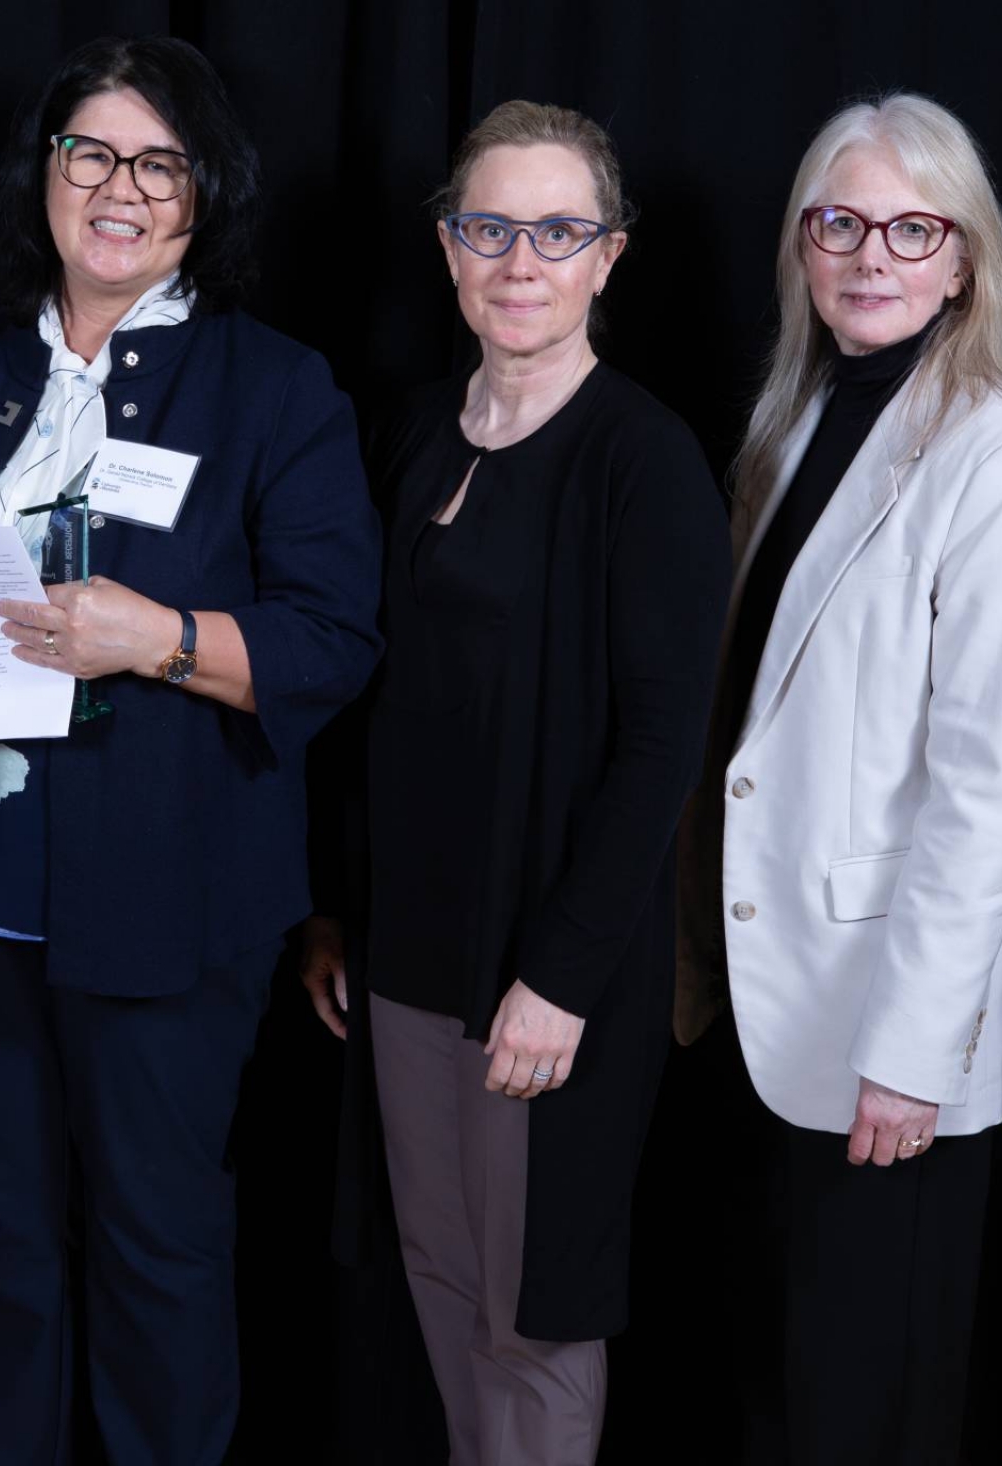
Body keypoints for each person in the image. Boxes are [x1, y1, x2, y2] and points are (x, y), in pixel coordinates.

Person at [0, 35, 381, 1464]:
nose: (118, 188)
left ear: (206, 194)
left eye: (158, 162)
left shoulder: (276, 388)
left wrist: (164, 640)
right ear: (45, 174)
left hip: (171, 910)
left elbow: (332, 643)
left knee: (157, 1254)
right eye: (90, 152)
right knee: (1, 1251)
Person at [298, 100, 729, 1464]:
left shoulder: (642, 460)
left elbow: (662, 747)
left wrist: (559, 974)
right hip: (405, 960)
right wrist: (332, 913)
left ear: (609, 256)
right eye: (491, 227)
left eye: (558, 231)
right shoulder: (413, 433)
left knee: (531, 1322)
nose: (520, 259)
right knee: (438, 1279)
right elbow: (366, 697)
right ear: (447, 247)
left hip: (544, 981)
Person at [675, 93, 1002, 1466]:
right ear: (802, 241)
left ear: (964, 258)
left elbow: (986, 787)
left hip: (877, 1034)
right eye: (840, 222)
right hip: (753, 996)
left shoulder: (1001, 458)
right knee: (764, 1385)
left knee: (856, 1405)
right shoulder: (793, 422)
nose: (871, 255)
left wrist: (915, 1054)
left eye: (913, 228)